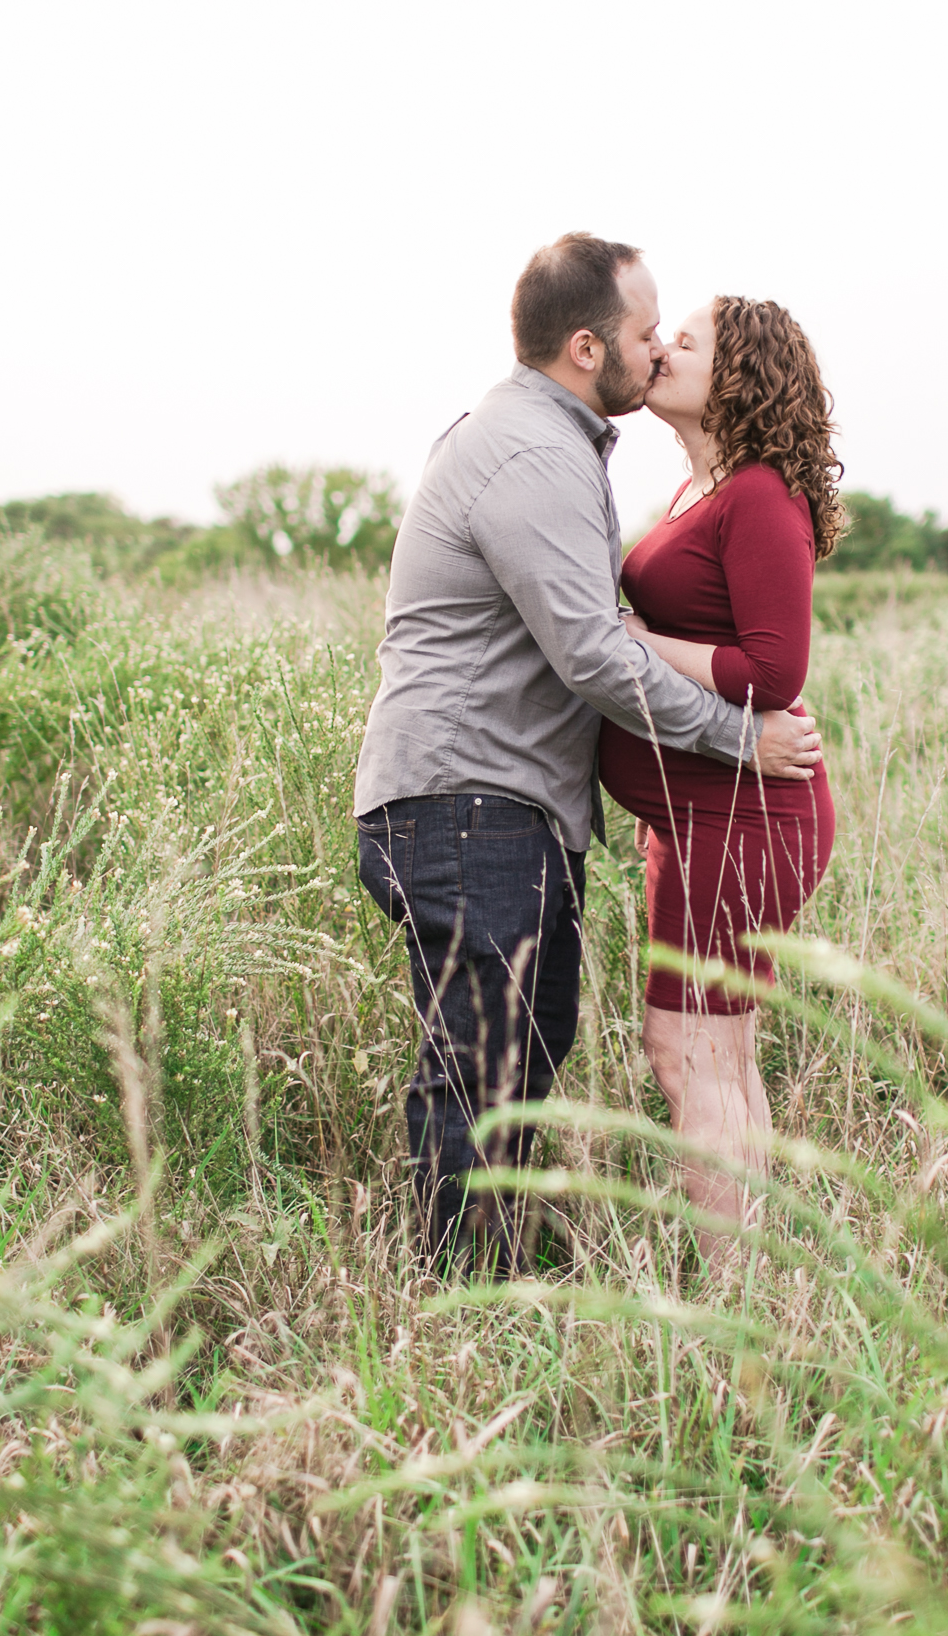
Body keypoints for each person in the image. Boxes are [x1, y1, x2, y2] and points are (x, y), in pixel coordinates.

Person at [353, 235, 824, 1269]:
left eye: (673, 336)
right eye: (645, 333)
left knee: (524, 1049)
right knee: (486, 1062)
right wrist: (737, 738)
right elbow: (593, 656)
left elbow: (672, 644)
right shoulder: (531, 453)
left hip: (508, 808)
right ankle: (469, 1302)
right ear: (583, 348)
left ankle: (504, 1277)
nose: (656, 351)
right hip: (468, 801)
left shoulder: (567, 449)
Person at [598, 295, 843, 1264]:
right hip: (693, 818)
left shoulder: (758, 495)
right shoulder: (694, 492)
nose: (659, 349)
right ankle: (761, 1284)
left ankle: (732, 1299)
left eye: (683, 342)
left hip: (742, 820)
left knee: (686, 1051)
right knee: (721, 1052)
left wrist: (641, 642)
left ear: (736, 375)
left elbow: (773, 674)